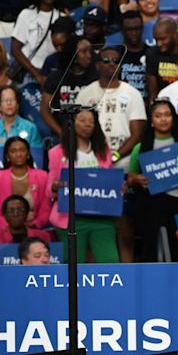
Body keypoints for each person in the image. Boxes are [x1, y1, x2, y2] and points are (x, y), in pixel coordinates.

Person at [47, 108, 120, 263]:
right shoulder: (57, 153)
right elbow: (49, 189)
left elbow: (109, 180)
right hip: (71, 218)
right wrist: (56, 186)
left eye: (91, 121)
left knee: (110, 262)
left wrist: (119, 187)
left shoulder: (103, 151)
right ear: (71, 123)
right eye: (82, 120)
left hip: (100, 216)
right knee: (74, 265)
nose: (88, 124)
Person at [127, 99, 178, 262]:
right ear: (151, 121)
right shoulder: (140, 148)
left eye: (168, 115)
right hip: (153, 204)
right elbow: (130, 177)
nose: (163, 119)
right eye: (158, 115)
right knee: (152, 246)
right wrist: (137, 179)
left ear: (174, 118)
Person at [76, 46, 146, 171]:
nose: (112, 64)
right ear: (97, 66)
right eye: (107, 61)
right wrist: (96, 157)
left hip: (123, 159)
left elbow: (137, 134)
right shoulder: (85, 94)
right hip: (91, 158)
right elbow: (78, 129)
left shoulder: (133, 94)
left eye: (116, 61)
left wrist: (114, 156)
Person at [0, 137, 50, 229]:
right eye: (13, 151)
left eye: (22, 150)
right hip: (5, 230)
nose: (18, 154)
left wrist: (35, 224)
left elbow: (45, 210)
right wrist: (9, 227)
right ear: (7, 156)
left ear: (28, 154)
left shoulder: (42, 176)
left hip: (34, 230)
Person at [41, 35, 97, 136]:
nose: (89, 55)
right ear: (72, 53)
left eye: (90, 51)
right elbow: (45, 110)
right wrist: (61, 132)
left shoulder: (95, 77)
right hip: (62, 133)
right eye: (83, 52)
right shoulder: (56, 77)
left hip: (90, 134)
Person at [11, 0, 62, 86]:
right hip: (29, 73)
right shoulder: (26, 14)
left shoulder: (61, 17)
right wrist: (35, 73)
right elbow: (15, 49)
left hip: (52, 74)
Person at [0, 194, 50, 265]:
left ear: (27, 214)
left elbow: (50, 262)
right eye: (11, 211)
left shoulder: (43, 236)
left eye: (20, 210)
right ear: (4, 215)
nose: (16, 214)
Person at [117, 10, 150, 102]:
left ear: (142, 28)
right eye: (129, 29)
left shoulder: (151, 54)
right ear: (122, 30)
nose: (134, 33)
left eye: (137, 28)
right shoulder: (116, 55)